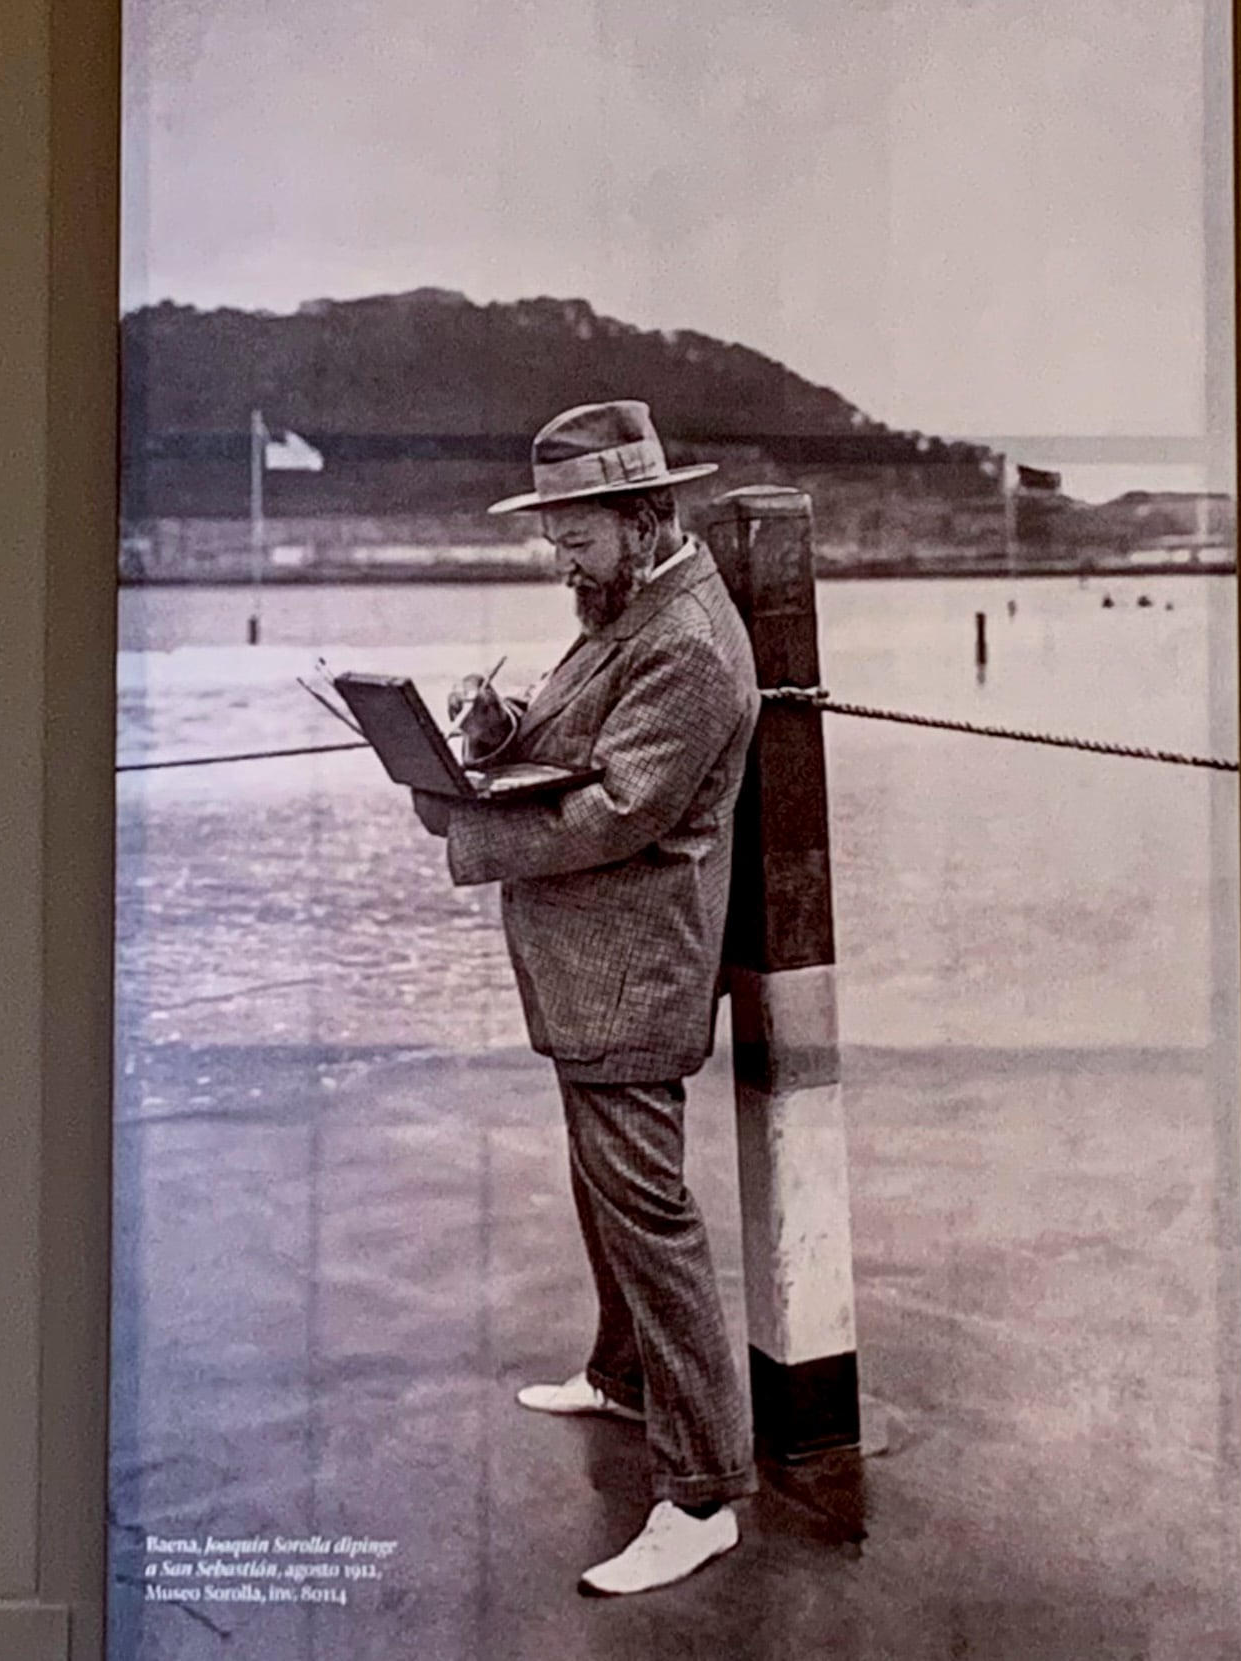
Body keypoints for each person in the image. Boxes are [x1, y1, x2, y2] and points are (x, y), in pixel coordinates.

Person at [408, 400, 760, 1597]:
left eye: (573, 532)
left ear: (640, 513)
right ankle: (622, 1378)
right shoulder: (629, 608)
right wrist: (505, 727)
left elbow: (623, 811)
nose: (556, 554)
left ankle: (703, 1487)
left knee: (649, 1216)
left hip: (632, 974)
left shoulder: (690, 642)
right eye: (552, 530)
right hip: (588, 971)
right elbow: (591, 745)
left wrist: (468, 822)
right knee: (603, 1187)